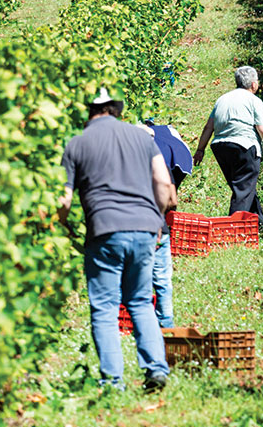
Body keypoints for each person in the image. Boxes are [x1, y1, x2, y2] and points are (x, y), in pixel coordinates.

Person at [58, 88, 175, 391]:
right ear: (116, 110)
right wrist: (156, 218)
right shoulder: (142, 138)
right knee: (140, 302)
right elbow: (163, 183)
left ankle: (113, 381)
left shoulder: (76, 144)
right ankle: (156, 369)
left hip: (104, 230)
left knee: (105, 309)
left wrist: (64, 226)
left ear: (90, 111)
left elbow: (63, 199)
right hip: (145, 229)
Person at [192, 66, 263, 223]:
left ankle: (258, 224)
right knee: (243, 188)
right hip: (244, 146)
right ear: (254, 84)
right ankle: (231, 230)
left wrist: (200, 150)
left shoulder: (222, 99)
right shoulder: (254, 101)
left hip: (220, 147)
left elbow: (209, 127)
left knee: (244, 187)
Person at [141, 122, 193, 329]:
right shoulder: (158, 160)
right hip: (156, 227)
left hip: (125, 227)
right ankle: (165, 323)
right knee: (162, 278)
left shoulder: (117, 159)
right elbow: (172, 199)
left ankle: (140, 320)